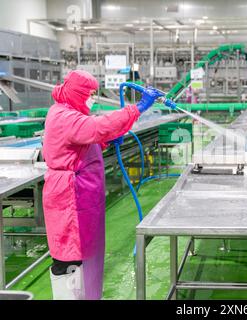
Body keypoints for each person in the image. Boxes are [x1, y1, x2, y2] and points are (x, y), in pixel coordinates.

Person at [42, 70, 163, 300]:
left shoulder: (69, 112)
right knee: (70, 256)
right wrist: (135, 109)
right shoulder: (64, 116)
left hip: (81, 195)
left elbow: (82, 142)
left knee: (85, 253)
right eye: (89, 94)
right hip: (70, 196)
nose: (92, 99)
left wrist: (106, 140)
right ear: (78, 92)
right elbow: (95, 128)